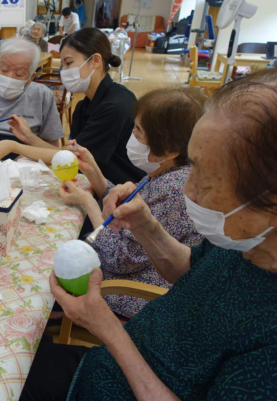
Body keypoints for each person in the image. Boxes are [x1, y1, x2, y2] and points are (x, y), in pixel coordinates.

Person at [20, 68, 277, 400]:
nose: (187, 189)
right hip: (119, 352)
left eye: (204, 176)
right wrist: (146, 224)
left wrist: (108, 330)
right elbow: (189, 269)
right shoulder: (246, 239)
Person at [58, 88, 205, 317]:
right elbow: (128, 211)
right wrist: (93, 169)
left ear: (170, 148)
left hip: (134, 291)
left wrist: (89, 203)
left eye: (138, 131)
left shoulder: (173, 189)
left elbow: (119, 258)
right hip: (131, 269)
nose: (132, 137)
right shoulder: (167, 170)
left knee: (57, 265)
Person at [0, 28, 144, 185]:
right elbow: (65, 156)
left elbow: (74, 161)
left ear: (95, 61)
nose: (64, 71)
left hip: (120, 190)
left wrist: (15, 147)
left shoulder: (116, 105)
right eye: (62, 64)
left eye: (69, 63)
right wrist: (29, 138)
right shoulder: (83, 106)